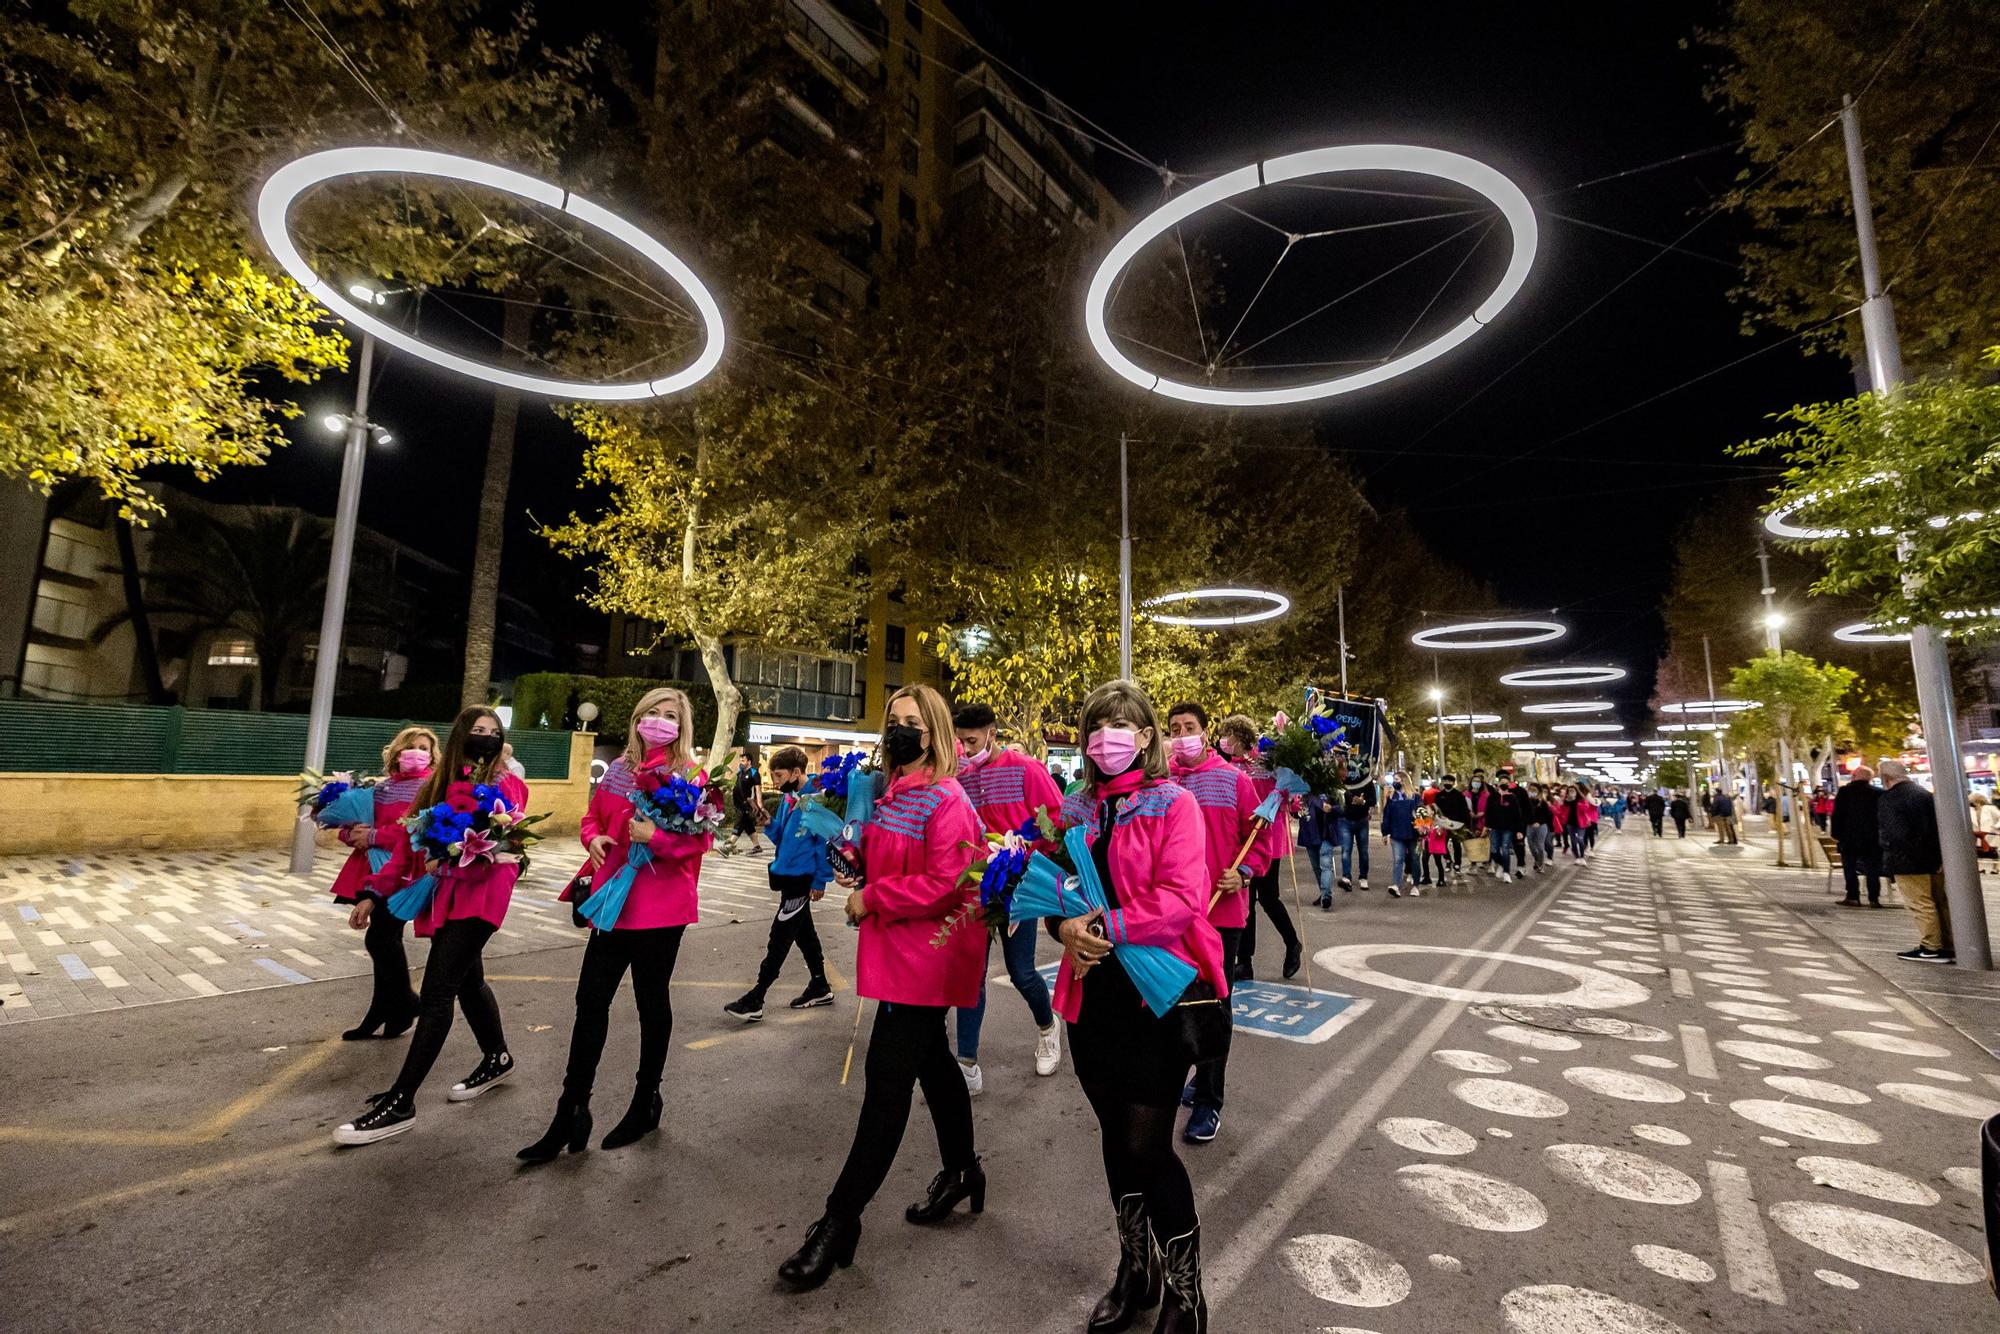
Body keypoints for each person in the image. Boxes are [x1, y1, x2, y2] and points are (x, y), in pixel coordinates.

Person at [779, 684, 984, 1291]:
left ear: (935, 733)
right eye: (893, 720)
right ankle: (963, 1170)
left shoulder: (947, 798)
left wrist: (872, 896)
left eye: (912, 722)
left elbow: (950, 883)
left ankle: (839, 1221)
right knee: (935, 1065)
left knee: (886, 1083)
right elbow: (882, 859)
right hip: (893, 945)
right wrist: (854, 861)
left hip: (931, 952)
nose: (899, 730)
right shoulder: (888, 792)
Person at [1050, 680, 1228, 1334]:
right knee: (1114, 1143)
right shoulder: (1073, 808)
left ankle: (1187, 1295)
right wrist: (1061, 928)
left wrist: (1105, 926)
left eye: (1120, 726)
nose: (1106, 739)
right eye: (1095, 727)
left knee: (1147, 1147)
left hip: (1157, 996)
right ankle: (1136, 1270)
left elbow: (1183, 899)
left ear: (1147, 735)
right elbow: (1057, 891)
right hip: (1090, 995)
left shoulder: (1174, 803)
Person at [520, 688, 712, 1162]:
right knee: (590, 1001)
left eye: (671, 715)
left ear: (682, 726)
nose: (660, 721)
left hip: (661, 907)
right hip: (612, 901)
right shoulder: (621, 770)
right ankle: (571, 1110)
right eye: (653, 712)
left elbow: (701, 843)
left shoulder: (690, 775)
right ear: (638, 717)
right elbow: (591, 817)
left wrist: (658, 837)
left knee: (651, 1001)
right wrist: (593, 839)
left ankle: (646, 1100)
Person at [332, 707, 527, 1146]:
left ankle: (401, 1102)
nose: (485, 738)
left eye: (493, 732)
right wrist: (372, 892)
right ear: (460, 734)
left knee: (438, 990)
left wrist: (466, 849)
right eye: (477, 730)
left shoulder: (507, 784)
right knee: (468, 980)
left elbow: (512, 838)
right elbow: (405, 851)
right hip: (447, 894)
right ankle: (497, 1057)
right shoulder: (434, 787)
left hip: (484, 892)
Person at [1166, 701, 1268, 1145]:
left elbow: (1260, 839)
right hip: (1169, 917)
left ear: (1206, 734)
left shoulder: (1235, 781)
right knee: (1169, 1005)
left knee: (1213, 1010)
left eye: (1189, 727)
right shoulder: (1162, 780)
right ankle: (1181, 1082)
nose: (1182, 734)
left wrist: (1243, 872)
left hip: (1221, 915)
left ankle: (1208, 1101)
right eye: (1175, 728)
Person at [950, 702, 1065, 1089]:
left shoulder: (1026, 769)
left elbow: (1056, 819)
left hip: (1020, 887)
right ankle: (966, 1062)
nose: (965, 750)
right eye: (960, 742)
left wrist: (1026, 848)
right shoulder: (959, 776)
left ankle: (1049, 1028)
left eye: (972, 741)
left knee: (1021, 972)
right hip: (974, 890)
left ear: (992, 734)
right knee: (971, 974)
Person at [327, 724, 439, 1040]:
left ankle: (403, 1002)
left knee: (382, 937)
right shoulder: (380, 788)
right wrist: (351, 833)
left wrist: (375, 835)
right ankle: (391, 1009)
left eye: (424, 748)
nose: (417, 753)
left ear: (432, 756)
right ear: (397, 752)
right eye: (410, 747)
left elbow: (416, 828)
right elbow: (354, 823)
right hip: (374, 867)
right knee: (382, 936)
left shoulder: (431, 787)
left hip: (405, 868)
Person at [722, 745, 833, 1022]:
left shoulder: (816, 801)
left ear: (796, 772)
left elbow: (824, 843)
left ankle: (757, 997)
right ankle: (820, 985)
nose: (775, 781)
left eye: (779, 775)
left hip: (801, 879)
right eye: (772, 775)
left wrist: (821, 880)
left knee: (780, 937)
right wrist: (769, 823)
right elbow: (784, 836)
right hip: (786, 875)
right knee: (804, 933)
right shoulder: (788, 799)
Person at [1218, 714, 1302, 982]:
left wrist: (1280, 796)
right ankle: (1245, 961)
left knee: (1267, 897)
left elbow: (1288, 792)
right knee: (1247, 899)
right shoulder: (1230, 766)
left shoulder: (1266, 761)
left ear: (1238, 736)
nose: (1223, 741)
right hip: (1242, 840)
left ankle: (1292, 944)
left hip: (1268, 837)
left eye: (1227, 735)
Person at [1879, 759, 1952, 964]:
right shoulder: (1925, 795)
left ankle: (1931, 947)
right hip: (1935, 859)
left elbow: (1896, 834)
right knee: (1940, 902)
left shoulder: (1890, 799)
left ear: (1885, 779)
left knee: (1920, 904)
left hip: (1908, 861)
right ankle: (1948, 944)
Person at [1831, 766, 1883, 907]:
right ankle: (1874, 898)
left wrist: (1835, 834)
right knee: (1872, 868)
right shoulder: (1878, 793)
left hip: (1849, 837)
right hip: (1871, 838)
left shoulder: (1845, 792)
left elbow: (1837, 815)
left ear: (1854, 776)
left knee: (1850, 866)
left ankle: (1853, 896)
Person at [1379, 773, 1418, 897]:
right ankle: (1396, 885)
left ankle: (1416, 885)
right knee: (1398, 859)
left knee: (1414, 859)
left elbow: (1420, 813)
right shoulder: (1391, 797)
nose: (1394, 782)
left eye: (1396, 779)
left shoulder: (1415, 797)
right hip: (1396, 833)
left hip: (1413, 833)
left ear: (1404, 781)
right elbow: (1387, 816)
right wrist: (1385, 833)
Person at [1338, 776, 1376, 891]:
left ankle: (1363, 877)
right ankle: (1346, 877)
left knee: (1363, 851)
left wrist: (1363, 802)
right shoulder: (1342, 781)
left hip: (1362, 820)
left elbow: (1373, 800)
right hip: (1346, 820)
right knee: (1346, 850)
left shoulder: (1366, 781)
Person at [1299, 789, 1335, 908]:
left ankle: (1325, 895)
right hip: (1310, 836)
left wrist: (1331, 809)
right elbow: (1297, 814)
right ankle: (1324, 893)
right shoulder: (1302, 795)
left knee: (1325, 866)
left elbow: (1340, 809)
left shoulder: (1329, 791)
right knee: (1316, 868)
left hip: (1325, 835)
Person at [1486, 773, 1525, 883]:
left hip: (1508, 828)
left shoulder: (1513, 798)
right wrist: (1486, 826)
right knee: (1493, 849)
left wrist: (1519, 830)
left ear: (1509, 785)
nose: (1503, 785)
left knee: (1505, 849)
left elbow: (1517, 815)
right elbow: (1488, 813)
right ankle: (1502, 864)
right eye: (1501, 783)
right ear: (1498, 784)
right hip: (1494, 827)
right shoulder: (1492, 797)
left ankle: (1506, 873)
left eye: (1506, 783)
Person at [1433, 774, 1471, 874]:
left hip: (1456, 824)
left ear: (1453, 783)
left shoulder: (1459, 796)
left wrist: (1466, 825)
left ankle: (1457, 864)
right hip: (1442, 824)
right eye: (1445, 781)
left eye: (1450, 781)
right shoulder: (1439, 795)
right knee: (1442, 844)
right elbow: (1435, 810)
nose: (1447, 783)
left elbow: (1464, 811)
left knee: (1456, 845)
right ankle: (1448, 860)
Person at [732, 750, 766, 854]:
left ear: (749, 761)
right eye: (740, 760)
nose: (741, 762)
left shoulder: (754, 773)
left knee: (739, 824)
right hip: (738, 804)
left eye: (743, 760)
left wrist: (759, 804)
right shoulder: (740, 773)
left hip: (747, 804)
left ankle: (728, 845)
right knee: (748, 826)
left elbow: (758, 789)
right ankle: (757, 846)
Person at [1522, 782, 1552, 874]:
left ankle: (1540, 865)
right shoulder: (1525, 802)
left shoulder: (1543, 803)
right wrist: (1530, 822)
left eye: (1534, 790)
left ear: (1539, 792)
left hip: (1541, 826)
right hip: (1529, 826)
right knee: (1531, 846)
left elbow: (1547, 816)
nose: (1532, 792)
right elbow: (1523, 814)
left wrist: (1539, 822)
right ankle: (1537, 860)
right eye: (1530, 790)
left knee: (1540, 845)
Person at [1972, 791, 2000, 861]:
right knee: (1981, 860)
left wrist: (1995, 827)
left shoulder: (1989, 808)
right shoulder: (1971, 811)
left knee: (1994, 860)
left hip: (1992, 838)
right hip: (1978, 842)